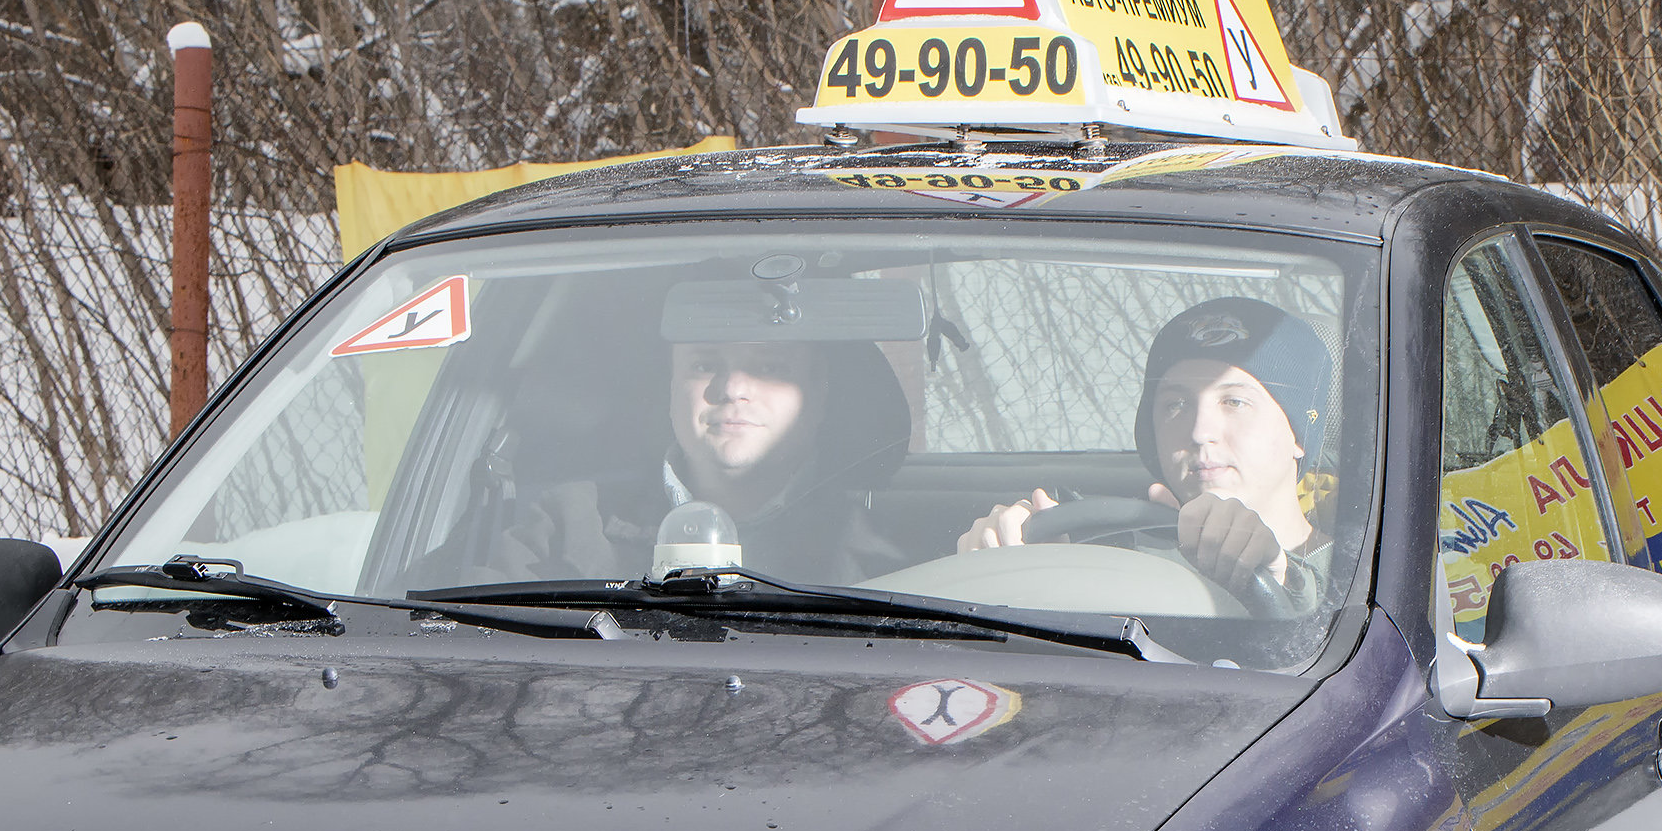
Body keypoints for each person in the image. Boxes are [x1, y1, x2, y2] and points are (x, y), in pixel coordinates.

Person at [470, 279, 907, 585]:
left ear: (818, 395)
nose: (733, 388)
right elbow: (470, 646)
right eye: (704, 365)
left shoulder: (894, 555)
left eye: (770, 367)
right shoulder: (569, 519)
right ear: (672, 388)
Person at [958, 297, 1335, 616]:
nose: (1200, 430)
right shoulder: (1114, 554)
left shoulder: (1366, 572)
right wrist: (1002, 558)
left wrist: (1284, 583)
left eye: (1234, 401)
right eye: (1176, 404)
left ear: (1298, 434)